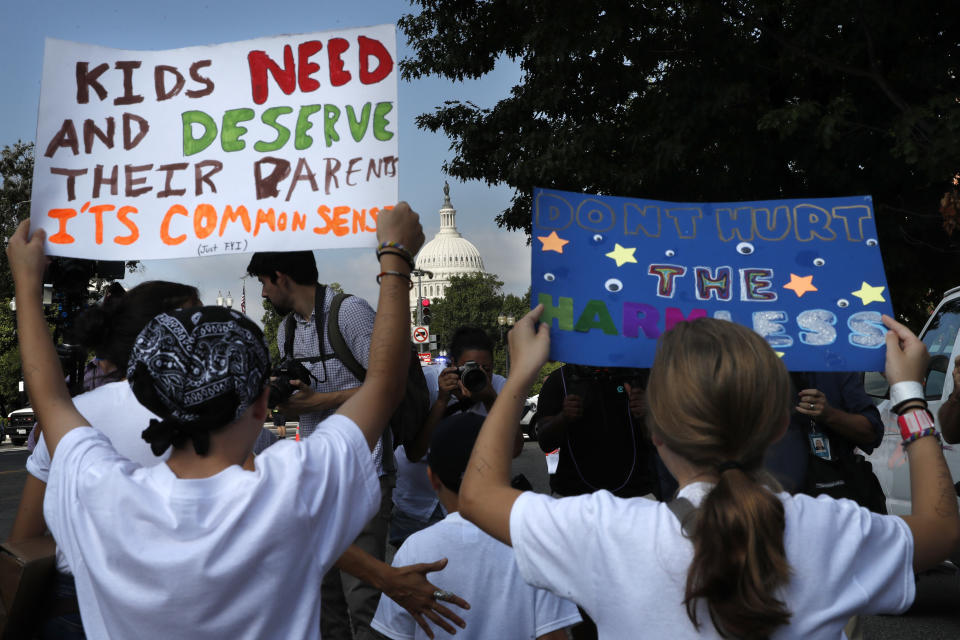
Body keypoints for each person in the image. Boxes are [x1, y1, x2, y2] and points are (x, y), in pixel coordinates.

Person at [4, 203, 449, 638]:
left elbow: (50, 399)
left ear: (147, 395)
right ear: (261, 403)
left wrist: (27, 282)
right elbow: (385, 385)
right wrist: (395, 257)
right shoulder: (289, 491)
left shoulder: (98, 491)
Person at [458, 306, 960, 638]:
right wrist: (909, 395)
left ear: (657, 432)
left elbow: (477, 493)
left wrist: (521, 370)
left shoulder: (606, 533)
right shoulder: (833, 531)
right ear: (777, 425)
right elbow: (941, 529)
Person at [7, 280, 200, 638]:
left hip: (75, 608)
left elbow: (23, 538)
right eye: (198, 319)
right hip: (178, 610)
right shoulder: (219, 421)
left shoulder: (72, 417)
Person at [247, 249, 398, 639]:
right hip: (314, 475)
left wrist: (319, 400)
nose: (263, 294)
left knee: (363, 598)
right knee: (322, 598)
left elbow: (386, 386)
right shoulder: (287, 331)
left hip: (363, 468)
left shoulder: (349, 313)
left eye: (263, 283)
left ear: (281, 277)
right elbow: (301, 396)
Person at [372, 412, 580, 639]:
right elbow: (552, 635)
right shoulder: (532, 545)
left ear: (432, 478)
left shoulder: (413, 550)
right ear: (502, 472)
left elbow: (395, 633)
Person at [390, 327, 508, 548]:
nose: (480, 375)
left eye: (487, 369)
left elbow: (515, 449)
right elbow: (414, 453)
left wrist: (491, 397)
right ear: (452, 364)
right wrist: (442, 401)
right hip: (416, 504)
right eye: (471, 368)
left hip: (472, 506)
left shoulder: (498, 386)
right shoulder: (426, 383)